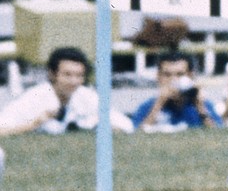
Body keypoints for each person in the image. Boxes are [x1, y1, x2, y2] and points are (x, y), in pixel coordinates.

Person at [0, 47, 132, 136]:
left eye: (79, 75)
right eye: (67, 75)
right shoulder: (34, 98)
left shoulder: (84, 95)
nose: (74, 81)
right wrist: (34, 124)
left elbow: (126, 125)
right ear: (52, 74)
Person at [131, 52, 224, 131]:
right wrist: (158, 104)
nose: (173, 80)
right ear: (158, 77)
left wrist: (201, 108)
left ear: (190, 76)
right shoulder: (147, 107)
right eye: (167, 75)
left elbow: (217, 135)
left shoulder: (203, 105)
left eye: (180, 74)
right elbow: (138, 136)